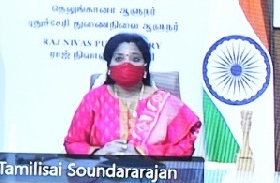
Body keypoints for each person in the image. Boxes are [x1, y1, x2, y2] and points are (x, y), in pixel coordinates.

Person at [64, 33, 201, 156]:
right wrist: (100, 152)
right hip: (104, 172)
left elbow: (185, 148)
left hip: (153, 174)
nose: (127, 64)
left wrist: (141, 152)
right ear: (109, 67)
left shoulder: (167, 103)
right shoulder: (94, 99)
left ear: (145, 68)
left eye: (135, 59)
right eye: (119, 58)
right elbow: (73, 143)